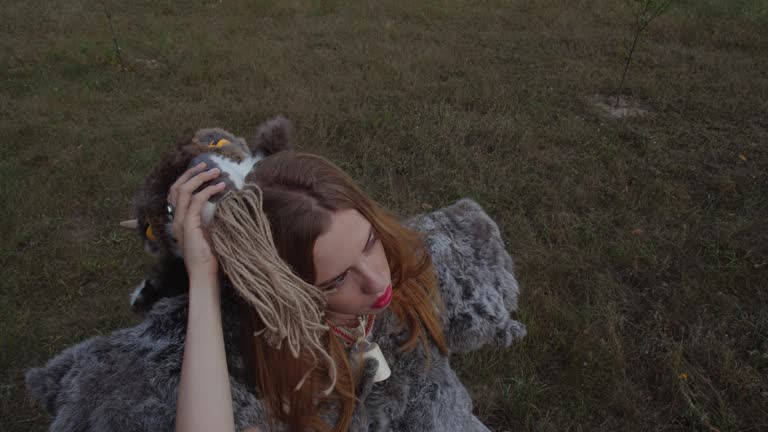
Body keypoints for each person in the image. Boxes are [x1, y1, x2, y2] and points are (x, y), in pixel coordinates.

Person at [168, 150, 448, 432]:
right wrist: (203, 276)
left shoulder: (422, 263)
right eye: (337, 280)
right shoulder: (266, 364)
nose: (377, 282)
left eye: (370, 242)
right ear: (286, 288)